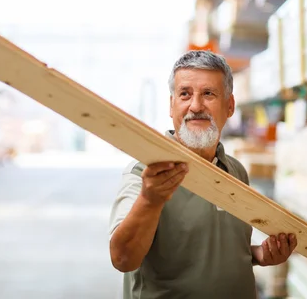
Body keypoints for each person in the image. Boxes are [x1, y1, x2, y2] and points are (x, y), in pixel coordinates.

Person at [108, 50, 297, 299]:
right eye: (185, 94)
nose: (195, 106)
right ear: (171, 105)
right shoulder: (144, 174)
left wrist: (259, 255)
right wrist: (149, 200)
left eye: (208, 94)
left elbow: (210, 252)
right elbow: (123, 259)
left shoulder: (236, 171)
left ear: (229, 106)